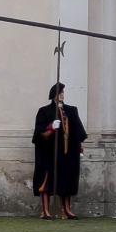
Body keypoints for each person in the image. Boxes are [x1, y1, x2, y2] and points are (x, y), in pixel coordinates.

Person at [32, 82, 87, 219]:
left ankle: (66, 210)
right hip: (50, 152)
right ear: (53, 95)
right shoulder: (44, 111)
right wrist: (50, 128)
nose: (62, 95)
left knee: (67, 179)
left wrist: (78, 146)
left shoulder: (72, 110)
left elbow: (78, 131)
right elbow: (39, 134)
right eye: (59, 92)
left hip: (67, 152)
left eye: (63, 92)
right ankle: (45, 210)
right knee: (46, 179)